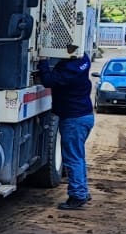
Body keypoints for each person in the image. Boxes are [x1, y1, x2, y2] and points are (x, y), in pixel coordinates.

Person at [39, 44, 95, 210]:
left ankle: (77, 195)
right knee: (78, 156)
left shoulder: (69, 69)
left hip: (74, 119)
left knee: (72, 158)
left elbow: (48, 81)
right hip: (84, 116)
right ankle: (82, 191)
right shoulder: (82, 60)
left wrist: (43, 62)